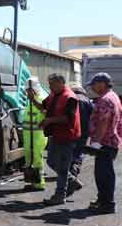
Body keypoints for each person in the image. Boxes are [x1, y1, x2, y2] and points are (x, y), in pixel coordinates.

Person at [29, 73, 81, 206]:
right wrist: (32, 99)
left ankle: (59, 196)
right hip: (56, 135)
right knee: (51, 161)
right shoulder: (53, 95)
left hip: (67, 137)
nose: (50, 86)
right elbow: (43, 107)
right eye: (49, 84)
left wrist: (49, 120)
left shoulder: (70, 97)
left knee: (63, 168)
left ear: (60, 83)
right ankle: (72, 181)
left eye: (52, 84)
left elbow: (68, 118)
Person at [87, 73, 122, 214]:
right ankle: (103, 200)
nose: (92, 88)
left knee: (103, 174)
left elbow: (103, 122)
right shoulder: (113, 96)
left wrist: (96, 143)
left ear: (102, 83)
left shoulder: (105, 100)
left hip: (105, 142)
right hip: (110, 141)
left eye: (94, 84)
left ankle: (107, 204)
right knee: (105, 172)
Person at [68, 82, 94, 195]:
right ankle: (72, 178)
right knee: (77, 156)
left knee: (65, 157)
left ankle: (70, 181)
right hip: (83, 134)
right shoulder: (87, 101)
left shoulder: (70, 98)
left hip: (70, 133)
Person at [22, 77, 48, 192]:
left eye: (28, 90)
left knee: (36, 158)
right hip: (29, 134)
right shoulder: (30, 102)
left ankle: (39, 184)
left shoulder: (41, 100)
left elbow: (45, 112)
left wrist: (33, 100)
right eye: (26, 90)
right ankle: (33, 181)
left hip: (37, 135)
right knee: (29, 158)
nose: (26, 92)